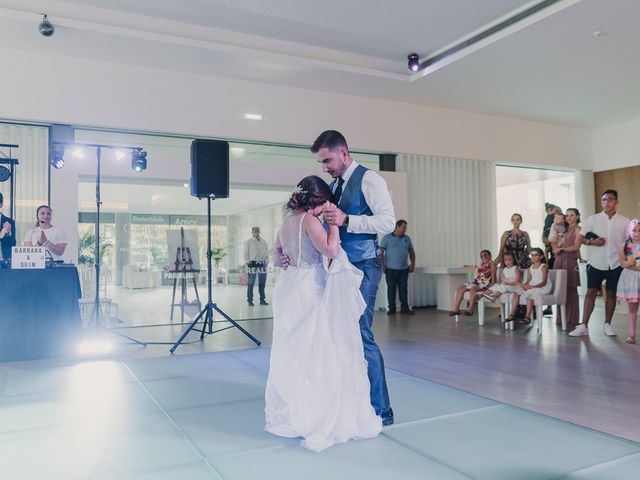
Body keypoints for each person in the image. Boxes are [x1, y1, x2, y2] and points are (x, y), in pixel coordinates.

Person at [265, 176, 382, 452]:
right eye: (323, 203)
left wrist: (284, 258)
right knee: (319, 346)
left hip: (289, 286)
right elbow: (329, 249)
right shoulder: (309, 220)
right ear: (316, 200)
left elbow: (276, 256)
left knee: (296, 348)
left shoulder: (286, 221)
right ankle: (317, 412)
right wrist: (334, 226)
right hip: (309, 286)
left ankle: (297, 406)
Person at [311, 130, 396, 427]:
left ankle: (381, 409)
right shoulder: (334, 185)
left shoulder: (370, 180)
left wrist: (348, 220)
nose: (325, 167)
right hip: (341, 267)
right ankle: (352, 402)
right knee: (339, 335)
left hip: (365, 265)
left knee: (361, 333)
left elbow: (387, 221)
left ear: (344, 153)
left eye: (328, 160)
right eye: (322, 162)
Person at [570, 190, 629, 337]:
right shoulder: (593, 219)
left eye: (610, 199)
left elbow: (629, 244)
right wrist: (591, 242)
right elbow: (580, 237)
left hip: (615, 264)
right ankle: (583, 325)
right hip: (596, 263)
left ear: (616, 201)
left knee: (611, 293)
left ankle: (607, 324)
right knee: (590, 293)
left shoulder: (625, 221)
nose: (606, 202)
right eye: (603, 200)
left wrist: (628, 260)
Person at [552, 208, 582, 332]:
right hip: (559, 260)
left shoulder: (578, 229)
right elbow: (554, 243)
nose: (569, 218)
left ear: (577, 217)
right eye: (567, 215)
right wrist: (555, 247)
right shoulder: (562, 228)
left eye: (572, 215)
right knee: (560, 290)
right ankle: (560, 318)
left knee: (571, 289)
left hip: (570, 261)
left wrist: (562, 249)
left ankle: (572, 319)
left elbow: (576, 246)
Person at [380, 219, 416, 315]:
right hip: (390, 269)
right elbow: (381, 253)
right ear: (397, 226)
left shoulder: (407, 239)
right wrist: (382, 265)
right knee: (391, 289)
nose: (405, 229)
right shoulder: (387, 238)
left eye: (406, 227)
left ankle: (405, 308)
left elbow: (411, 252)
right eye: (403, 227)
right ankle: (391, 308)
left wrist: (413, 264)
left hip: (404, 269)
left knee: (403, 289)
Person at [510, 248, 552, 325]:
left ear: (541, 257)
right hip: (533, 286)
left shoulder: (543, 267)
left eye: (536, 255)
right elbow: (528, 280)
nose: (533, 257)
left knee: (530, 294)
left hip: (542, 287)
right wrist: (524, 285)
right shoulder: (530, 268)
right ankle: (512, 314)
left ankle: (527, 317)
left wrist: (533, 287)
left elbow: (544, 282)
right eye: (532, 255)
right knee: (517, 291)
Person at [616, 219, 640, 344]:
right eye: (634, 230)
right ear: (629, 231)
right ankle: (631, 334)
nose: (637, 233)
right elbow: (622, 263)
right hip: (631, 279)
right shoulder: (625, 246)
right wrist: (628, 263)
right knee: (632, 308)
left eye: (639, 230)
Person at [448, 249, 493, 316]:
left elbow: (493, 275)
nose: (483, 257)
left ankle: (470, 309)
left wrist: (493, 285)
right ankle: (456, 309)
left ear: (490, 256)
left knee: (473, 288)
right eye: (482, 256)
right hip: (476, 282)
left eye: (485, 255)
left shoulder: (492, 264)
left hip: (484, 284)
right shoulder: (481, 265)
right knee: (460, 288)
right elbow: (478, 270)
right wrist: (469, 266)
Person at [244, 226, 269, 306]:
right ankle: (250, 300)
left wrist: (266, 262)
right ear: (252, 232)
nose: (257, 233)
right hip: (252, 264)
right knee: (251, 283)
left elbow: (266, 253)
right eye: (255, 231)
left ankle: (262, 299)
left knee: (262, 282)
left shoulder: (264, 242)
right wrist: (248, 263)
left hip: (262, 264)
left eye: (258, 231)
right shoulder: (248, 242)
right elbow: (245, 254)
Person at [0, 192, 17, 263]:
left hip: (4, 262)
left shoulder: (9, 222)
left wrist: (8, 233)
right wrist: (2, 234)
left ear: (1, 204)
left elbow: (13, 244)